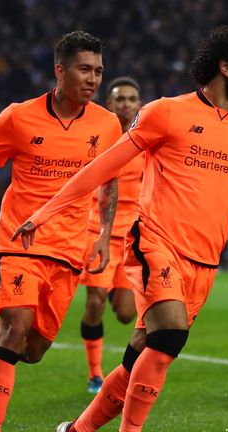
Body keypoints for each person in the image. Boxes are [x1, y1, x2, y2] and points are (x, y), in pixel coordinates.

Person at [11, 26, 228, 432]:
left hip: (204, 264)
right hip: (155, 244)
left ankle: (78, 430)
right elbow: (102, 166)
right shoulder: (166, 112)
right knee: (169, 338)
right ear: (226, 66)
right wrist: (45, 212)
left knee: (139, 357)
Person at [0, 31, 123, 432]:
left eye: (98, 70)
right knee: (17, 327)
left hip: (68, 250)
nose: (93, 78)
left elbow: (108, 181)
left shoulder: (107, 124)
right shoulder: (18, 116)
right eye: (84, 69)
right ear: (60, 71)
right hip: (18, 242)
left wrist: (103, 235)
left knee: (35, 349)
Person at [79, 76, 143, 394]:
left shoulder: (149, 140)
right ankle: (94, 373)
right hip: (97, 231)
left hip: (132, 237)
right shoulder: (96, 137)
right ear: (109, 104)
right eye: (120, 99)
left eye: (132, 99)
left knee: (125, 314)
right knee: (95, 302)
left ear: (139, 104)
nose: (126, 104)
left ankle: (118, 294)